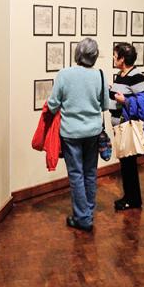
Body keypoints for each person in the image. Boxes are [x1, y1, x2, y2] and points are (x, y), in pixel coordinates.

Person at [47, 38, 109, 232]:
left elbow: (52, 104)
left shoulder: (64, 74)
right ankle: (87, 213)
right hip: (93, 131)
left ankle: (82, 218)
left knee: (76, 174)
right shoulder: (100, 75)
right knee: (90, 173)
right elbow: (105, 105)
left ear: (77, 53)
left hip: (71, 133)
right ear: (95, 55)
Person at [109, 43, 144, 210]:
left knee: (129, 165)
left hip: (127, 127)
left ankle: (132, 200)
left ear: (122, 59)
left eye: (115, 55)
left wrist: (124, 100)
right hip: (120, 126)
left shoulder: (136, 76)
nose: (113, 58)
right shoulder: (122, 74)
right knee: (125, 165)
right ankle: (130, 197)